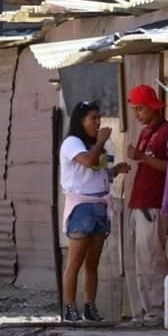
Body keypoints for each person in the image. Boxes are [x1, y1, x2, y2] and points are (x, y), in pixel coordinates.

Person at [60, 101, 130, 322]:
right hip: (81, 206)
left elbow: (97, 173)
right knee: (75, 260)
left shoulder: (98, 145)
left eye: (99, 117)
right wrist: (100, 141)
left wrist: (114, 172)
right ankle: (70, 307)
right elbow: (89, 161)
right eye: (92, 118)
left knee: (93, 261)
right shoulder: (72, 142)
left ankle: (90, 306)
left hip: (100, 204)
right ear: (81, 121)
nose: (98, 122)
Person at [125, 85, 168, 327]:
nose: (137, 114)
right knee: (137, 261)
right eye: (134, 110)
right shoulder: (146, 133)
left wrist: (142, 158)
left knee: (152, 260)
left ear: (153, 106)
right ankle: (142, 312)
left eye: (140, 109)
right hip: (138, 204)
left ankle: (158, 311)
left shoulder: (167, 131)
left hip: (153, 205)